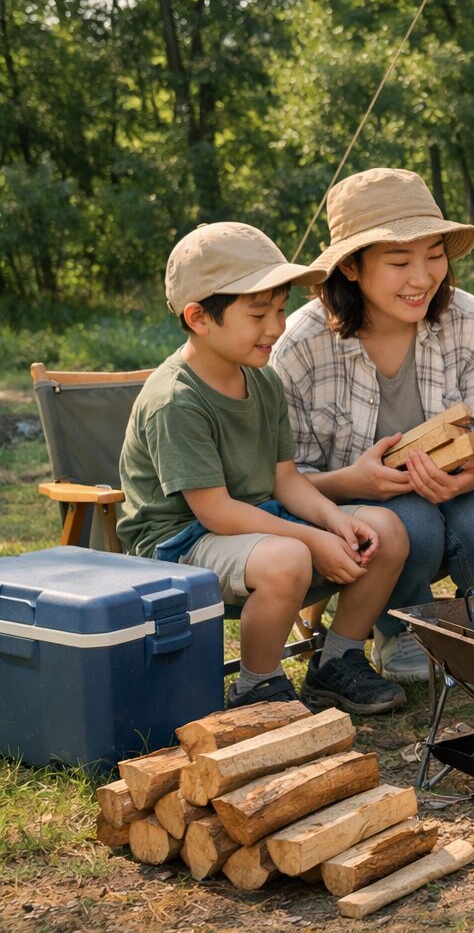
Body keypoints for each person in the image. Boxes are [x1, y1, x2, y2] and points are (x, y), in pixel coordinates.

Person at [118, 222, 410, 712]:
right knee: (288, 557)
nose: (276, 327)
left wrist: (336, 522)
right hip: (180, 543)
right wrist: (312, 539)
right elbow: (214, 513)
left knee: (384, 530)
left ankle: (337, 660)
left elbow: (286, 480)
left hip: (256, 520)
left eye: (279, 309)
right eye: (258, 314)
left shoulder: (264, 380)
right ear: (198, 318)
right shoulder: (177, 400)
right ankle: (258, 685)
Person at [272, 168, 474, 681]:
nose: (423, 277)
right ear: (350, 268)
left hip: (459, 495)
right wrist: (355, 483)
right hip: (357, 514)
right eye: (399, 261)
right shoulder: (301, 345)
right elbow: (283, 479)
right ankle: (398, 628)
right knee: (411, 520)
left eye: (435, 256)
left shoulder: (470, 322)